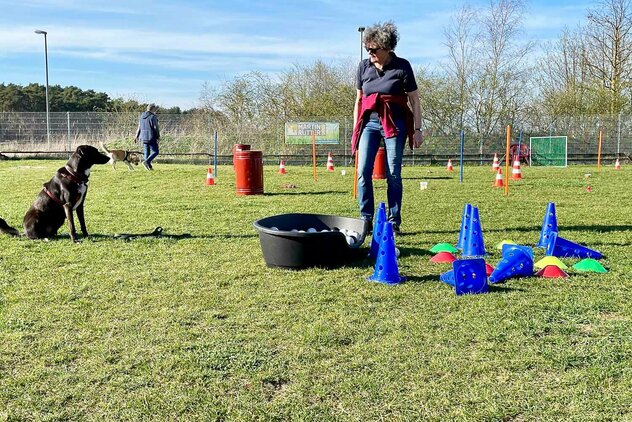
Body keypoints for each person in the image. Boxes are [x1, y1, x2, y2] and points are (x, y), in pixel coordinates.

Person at [352, 21, 424, 234]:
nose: (370, 53)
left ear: (387, 48)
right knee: (363, 171)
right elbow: (358, 100)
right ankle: (365, 219)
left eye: (374, 49)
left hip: (395, 123)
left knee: (393, 173)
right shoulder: (363, 67)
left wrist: (417, 130)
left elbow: (414, 99)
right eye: (368, 49)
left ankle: (393, 221)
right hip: (370, 123)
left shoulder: (402, 66)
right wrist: (356, 129)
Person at [135, 103, 160, 170]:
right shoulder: (153, 116)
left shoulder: (141, 116)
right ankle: (146, 162)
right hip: (151, 136)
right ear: (153, 109)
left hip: (143, 137)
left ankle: (149, 167)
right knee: (156, 151)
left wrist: (136, 136)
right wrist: (158, 136)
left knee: (147, 152)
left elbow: (139, 127)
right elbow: (155, 127)